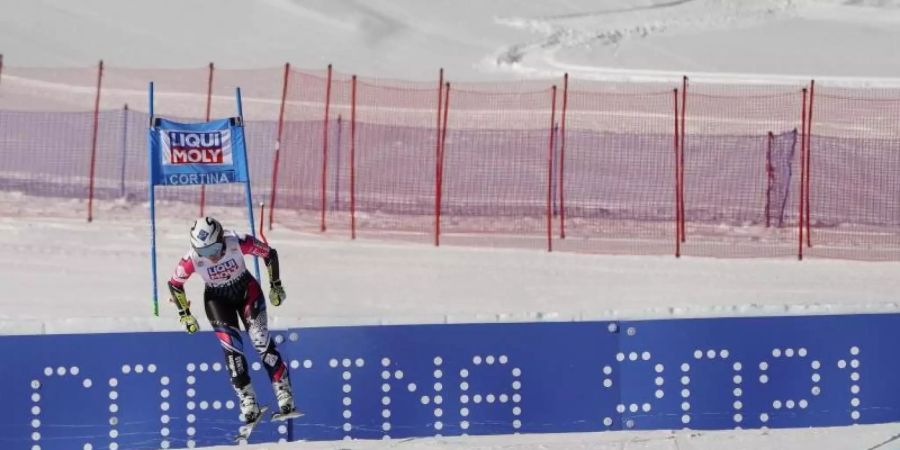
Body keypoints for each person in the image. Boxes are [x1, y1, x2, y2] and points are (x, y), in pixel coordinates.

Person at [167, 216, 294, 423]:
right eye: (204, 252)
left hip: (246, 291)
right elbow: (174, 284)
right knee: (232, 349)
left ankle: (283, 390)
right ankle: (247, 400)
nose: (211, 257)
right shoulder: (191, 259)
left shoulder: (237, 241)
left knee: (260, 339)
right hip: (217, 300)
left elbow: (269, 254)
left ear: (222, 239)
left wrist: (276, 284)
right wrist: (185, 315)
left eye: (214, 249)